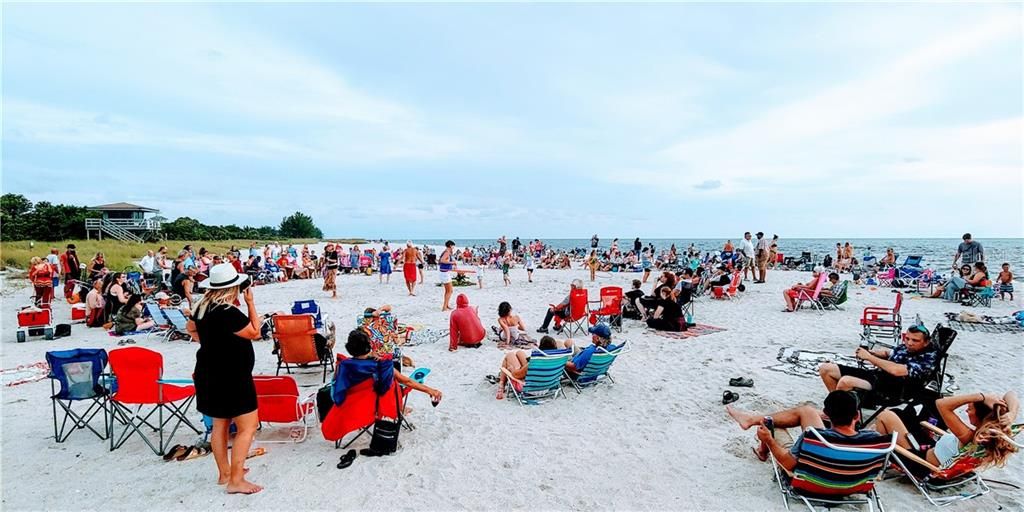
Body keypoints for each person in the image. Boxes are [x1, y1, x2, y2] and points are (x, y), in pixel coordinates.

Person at [186, 263, 263, 494]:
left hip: (207, 372)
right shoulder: (228, 312)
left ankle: (225, 473)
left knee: (219, 424)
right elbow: (255, 332)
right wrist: (250, 303)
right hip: (232, 375)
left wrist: (212, 343)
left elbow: (190, 330)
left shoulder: (201, 307)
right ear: (233, 287)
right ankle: (236, 480)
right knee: (247, 426)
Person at [726, 390, 881, 467]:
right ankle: (751, 420)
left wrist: (769, 440)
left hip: (811, 481)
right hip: (852, 484)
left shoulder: (813, 438)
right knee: (806, 411)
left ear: (826, 415)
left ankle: (762, 450)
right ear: (857, 416)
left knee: (771, 424)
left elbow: (788, 464)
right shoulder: (872, 440)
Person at [874, 391, 1019, 472]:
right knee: (908, 418)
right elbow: (1011, 394)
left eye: (970, 409)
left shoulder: (968, 436)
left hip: (919, 462)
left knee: (885, 416)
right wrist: (1011, 414)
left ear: (981, 416)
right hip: (934, 451)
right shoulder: (994, 433)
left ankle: (879, 459)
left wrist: (980, 396)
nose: (966, 410)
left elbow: (941, 404)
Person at [818, 325, 937, 395]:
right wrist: (872, 352)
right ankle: (836, 407)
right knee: (826, 369)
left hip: (894, 387)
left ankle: (843, 416)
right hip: (877, 376)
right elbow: (888, 352)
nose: (909, 343)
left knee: (845, 381)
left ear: (926, 342)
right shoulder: (906, 348)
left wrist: (870, 357)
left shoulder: (927, 358)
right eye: (907, 339)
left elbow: (897, 370)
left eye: (915, 340)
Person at [493, 335, 574, 399]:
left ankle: (501, 385)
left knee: (509, 355)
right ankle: (502, 383)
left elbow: (515, 375)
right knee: (519, 352)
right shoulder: (558, 360)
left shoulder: (534, 363)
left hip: (529, 388)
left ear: (541, 348)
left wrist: (511, 369)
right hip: (547, 385)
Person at [439, 240, 457, 311]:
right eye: (453, 246)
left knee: (449, 290)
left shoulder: (447, 252)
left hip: (445, 272)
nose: (453, 247)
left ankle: (446, 305)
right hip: (444, 273)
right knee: (449, 291)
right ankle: (444, 307)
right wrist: (452, 262)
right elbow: (442, 260)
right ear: (450, 245)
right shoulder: (447, 252)